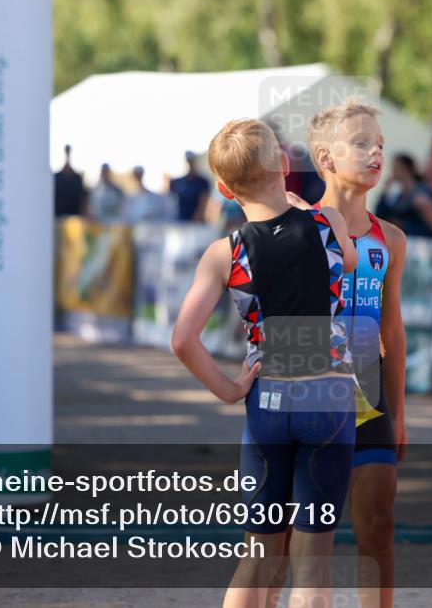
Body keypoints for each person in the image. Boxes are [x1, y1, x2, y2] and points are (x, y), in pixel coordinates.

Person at [171, 118, 358, 608]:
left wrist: (230, 389)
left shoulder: (223, 254)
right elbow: (353, 261)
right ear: (284, 165)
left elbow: (183, 340)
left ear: (223, 188)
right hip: (328, 401)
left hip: (267, 402)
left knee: (258, 555)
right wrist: (304, 209)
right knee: (313, 565)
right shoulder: (329, 225)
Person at [271, 98, 407, 608]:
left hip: (369, 400)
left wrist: (399, 415)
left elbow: (392, 328)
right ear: (325, 157)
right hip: (304, 398)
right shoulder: (294, 227)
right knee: (287, 538)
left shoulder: (390, 239)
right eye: (361, 143)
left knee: (378, 524)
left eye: (380, 145)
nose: (375, 153)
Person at [374, 153, 431, 236]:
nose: (393, 171)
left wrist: (403, 225)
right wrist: (385, 190)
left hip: (420, 242)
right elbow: (380, 215)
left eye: (396, 167)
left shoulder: (422, 192)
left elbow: (426, 224)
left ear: (406, 169)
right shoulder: (398, 196)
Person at [169, 151, 211, 222]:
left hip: (196, 222)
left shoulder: (202, 182)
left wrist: (197, 218)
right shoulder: (176, 181)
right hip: (180, 221)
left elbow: (204, 202)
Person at [54, 144, 88, 217]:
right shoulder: (56, 177)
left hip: (74, 220)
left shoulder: (77, 178)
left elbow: (82, 199)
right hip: (58, 218)